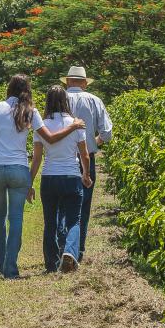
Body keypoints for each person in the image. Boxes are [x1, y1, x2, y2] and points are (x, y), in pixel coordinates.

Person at [0, 75, 85, 279]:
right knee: (15, 218)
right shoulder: (31, 112)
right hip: (18, 169)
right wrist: (74, 125)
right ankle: (10, 269)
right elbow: (50, 138)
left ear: (9, 88)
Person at [30, 85, 93, 273]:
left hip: (49, 177)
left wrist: (30, 181)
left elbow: (37, 157)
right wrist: (86, 174)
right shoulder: (76, 123)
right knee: (74, 220)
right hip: (71, 176)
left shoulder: (41, 126)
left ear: (47, 102)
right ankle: (70, 252)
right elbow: (85, 155)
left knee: (50, 222)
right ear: (66, 101)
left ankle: (51, 264)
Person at [60, 66, 112, 263]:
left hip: (62, 157)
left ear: (67, 82)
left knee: (62, 203)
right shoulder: (94, 100)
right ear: (83, 83)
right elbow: (107, 133)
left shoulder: (59, 99)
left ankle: (62, 245)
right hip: (86, 157)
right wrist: (93, 143)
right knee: (83, 204)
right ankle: (77, 249)